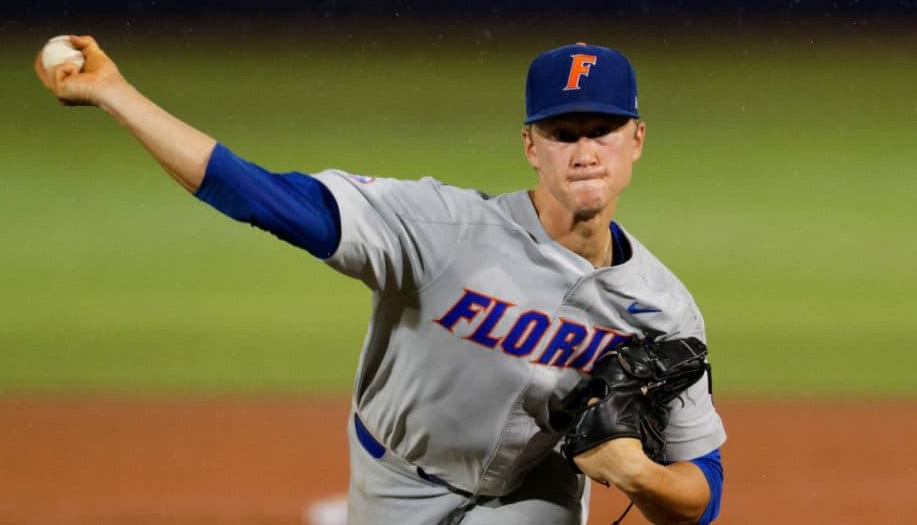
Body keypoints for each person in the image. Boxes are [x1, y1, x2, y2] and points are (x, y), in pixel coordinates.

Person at [35, 36, 726, 524]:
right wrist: (114, 93)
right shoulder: (439, 227)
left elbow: (702, 495)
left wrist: (638, 475)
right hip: (396, 477)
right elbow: (262, 198)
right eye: (562, 132)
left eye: (601, 130)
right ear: (529, 145)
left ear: (635, 139)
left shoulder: (663, 310)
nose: (582, 152)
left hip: (531, 495)